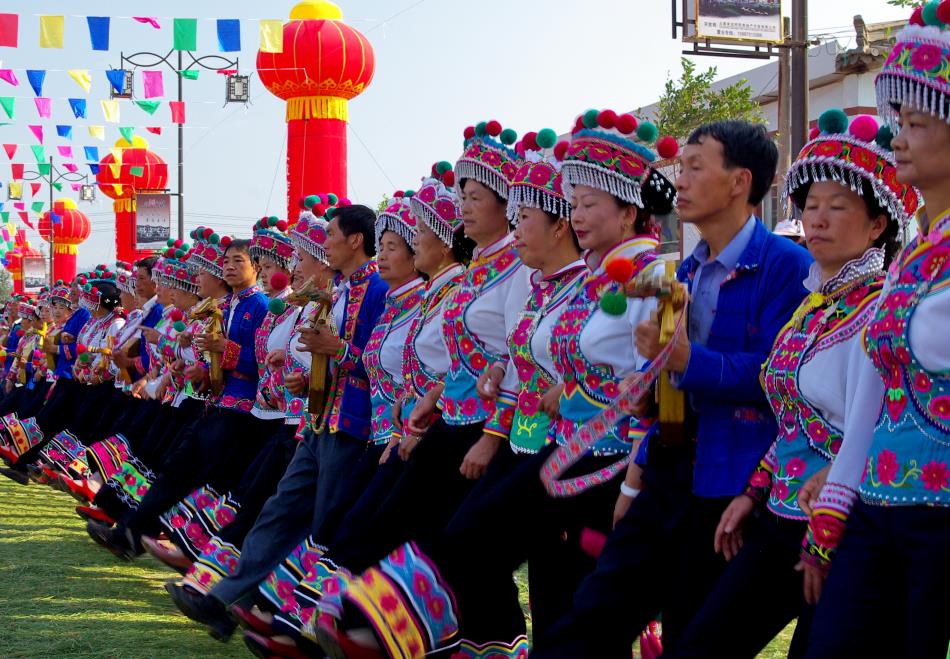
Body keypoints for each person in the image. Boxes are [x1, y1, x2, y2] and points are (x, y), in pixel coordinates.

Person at [531, 120, 813, 658]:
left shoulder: (787, 269)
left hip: (734, 483)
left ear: (739, 181)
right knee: (593, 610)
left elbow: (782, 379)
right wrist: (652, 398)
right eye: (679, 167)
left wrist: (689, 361)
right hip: (670, 465)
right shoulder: (683, 271)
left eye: (696, 166)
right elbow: (669, 386)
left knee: (692, 633)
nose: (679, 181)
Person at [665, 110, 918, 659]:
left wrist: (827, 527)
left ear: (878, 225)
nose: (817, 219)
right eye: (811, 206)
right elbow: (795, 419)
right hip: (779, 513)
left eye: (838, 207)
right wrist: (754, 493)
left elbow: (887, 424)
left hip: (847, 524)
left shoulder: (883, 311)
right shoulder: (812, 305)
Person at [165, 201, 388, 641]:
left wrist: (334, 350)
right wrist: (301, 375)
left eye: (329, 236)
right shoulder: (338, 291)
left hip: (352, 426)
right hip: (316, 420)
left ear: (356, 240)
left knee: (322, 524)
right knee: (277, 510)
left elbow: (378, 366)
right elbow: (326, 358)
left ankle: (295, 622)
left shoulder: (378, 290)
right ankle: (226, 598)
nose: (323, 246)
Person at [802, 14, 950, 658]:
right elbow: (877, 383)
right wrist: (838, 498)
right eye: (898, 122)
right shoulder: (914, 260)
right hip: (878, 504)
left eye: (918, 124)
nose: (901, 138)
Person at [87, 230, 272, 560]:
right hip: (213, 403)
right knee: (175, 468)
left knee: (203, 479)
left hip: (240, 409)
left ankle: (187, 548)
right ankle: (130, 533)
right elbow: (208, 357)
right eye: (225, 261)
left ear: (255, 267)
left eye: (237, 261)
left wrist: (221, 356)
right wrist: (201, 366)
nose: (228, 267)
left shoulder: (259, 306)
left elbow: (261, 361)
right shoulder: (224, 306)